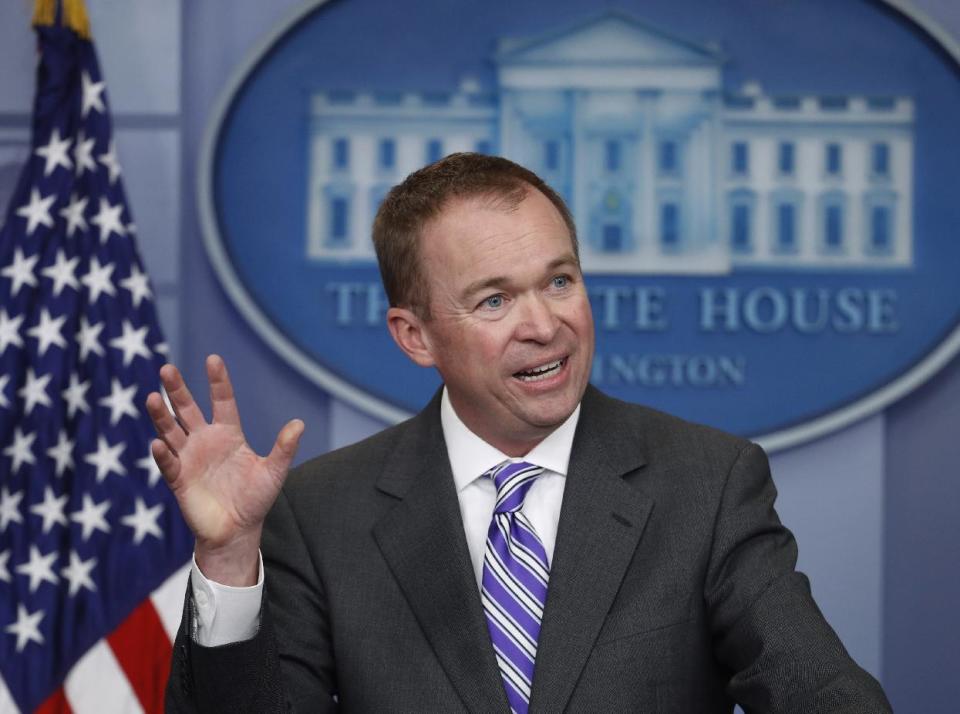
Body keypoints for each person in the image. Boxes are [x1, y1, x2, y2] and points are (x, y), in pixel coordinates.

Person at [152, 153, 892, 712]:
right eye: (496, 298)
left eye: (560, 281)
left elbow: (817, 688)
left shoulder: (707, 482)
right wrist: (225, 557)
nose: (546, 326)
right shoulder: (320, 511)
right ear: (415, 337)